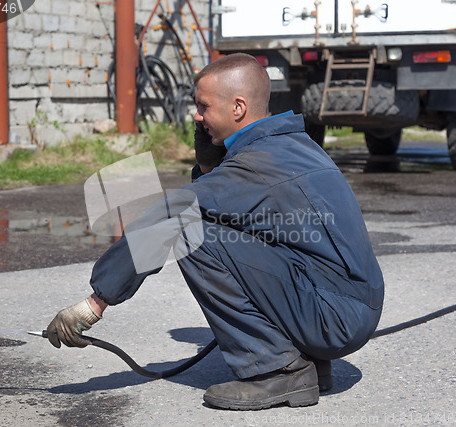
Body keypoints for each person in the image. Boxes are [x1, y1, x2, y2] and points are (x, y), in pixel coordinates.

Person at [47, 53, 384, 410]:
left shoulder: (258, 164)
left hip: (335, 318)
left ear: (238, 107)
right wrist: (211, 157)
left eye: (203, 106)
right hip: (347, 307)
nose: (196, 115)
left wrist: (95, 303)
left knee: (188, 228)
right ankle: (310, 362)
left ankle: (278, 371)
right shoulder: (289, 146)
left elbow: (171, 215)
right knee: (215, 225)